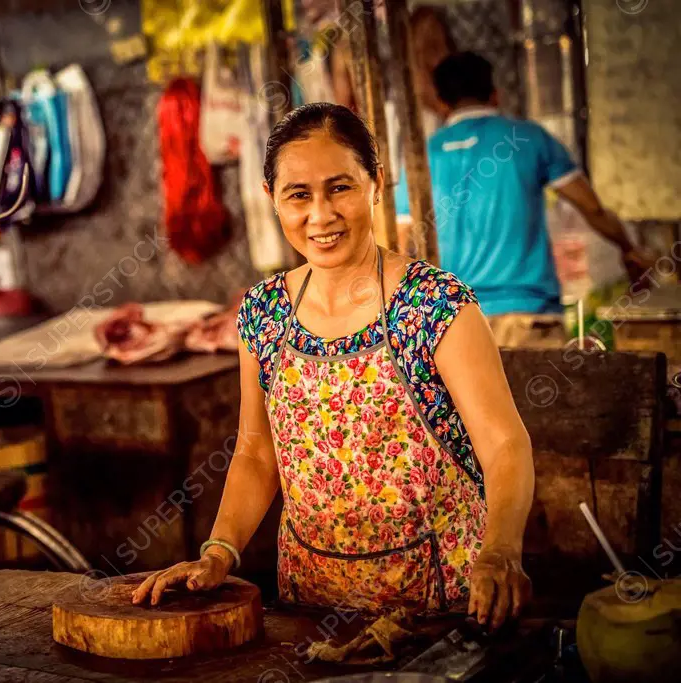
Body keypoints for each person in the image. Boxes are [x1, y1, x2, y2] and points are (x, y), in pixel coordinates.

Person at [133, 103, 535, 630]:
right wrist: (219, 552)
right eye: (298, 195)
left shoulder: (433, 304)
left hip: (438, 609)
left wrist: (501, 551)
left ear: (376, 184)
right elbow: (257, 451)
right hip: (308, 608)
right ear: (271, 198)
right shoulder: (263, 313)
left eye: (339, 188)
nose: (320, 215)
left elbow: (505, 445)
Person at [395, 52, 655, 345]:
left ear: (441, 103)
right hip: (530, 314)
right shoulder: (529, 138)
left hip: (454, 323)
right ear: (495, 95)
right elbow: (591, 208)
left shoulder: (425, 154)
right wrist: (628, 248)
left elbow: (400, 237)